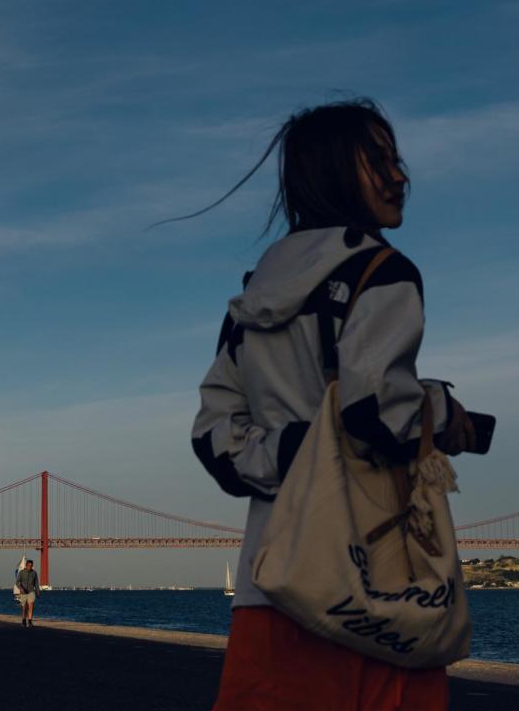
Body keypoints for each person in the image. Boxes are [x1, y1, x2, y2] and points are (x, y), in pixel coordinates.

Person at [185, 100, 474, 710]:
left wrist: (291, 450)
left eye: (396, 160)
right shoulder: (384, 273)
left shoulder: (252, 296)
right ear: (331, 175)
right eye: (377, 161)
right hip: (376, 590)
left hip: (274, 582)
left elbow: (214, 439)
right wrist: (443, 414)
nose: (399, 177)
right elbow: (375, 414)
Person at [15, 559, 38, 627]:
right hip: (23, 592)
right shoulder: (21, 572)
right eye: (28, 565)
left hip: (31, 591)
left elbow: (36, 583)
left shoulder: (34, 573)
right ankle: (24, 621)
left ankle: (30, 621)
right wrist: (20, 589)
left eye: (31, 566)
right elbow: (17, 582)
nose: (30, 567)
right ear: (26, 565)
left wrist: (38, 592)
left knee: (31, 605)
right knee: (24, 607)